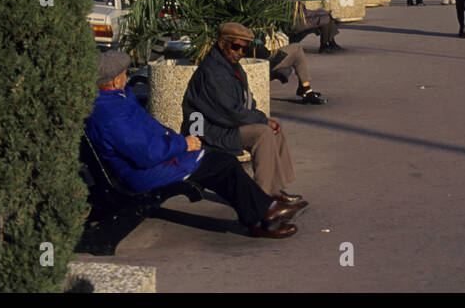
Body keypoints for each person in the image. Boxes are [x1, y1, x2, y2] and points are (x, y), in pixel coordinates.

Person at [86, 50, 303, 239]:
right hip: (146, 173)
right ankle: (263, 213)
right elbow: (146, 153)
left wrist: (179, 141)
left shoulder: (117, 99)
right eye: (124, 73)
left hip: (156, 162)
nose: (126, 76)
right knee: (222, 165)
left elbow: (148, 133)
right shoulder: (112, 113)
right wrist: (183, 144)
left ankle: (261, 213)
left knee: (221, 163)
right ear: (114, 81)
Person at [182, 22, 308, 205]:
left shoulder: (231, 65)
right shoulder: (213, 71)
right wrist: (262, 121)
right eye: (236, 47)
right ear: (222, 43)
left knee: (275, 128)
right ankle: (262, 199)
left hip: (223, 124)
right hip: (207, 131)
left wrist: (263, 119)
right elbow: (229, 112)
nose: (240, 52)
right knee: (262, 133)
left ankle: (275, 188)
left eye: (244, 49)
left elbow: (247, 101)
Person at [276, 0, 342, 53]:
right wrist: (321, 13)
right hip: (294, 25)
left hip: (297, 21)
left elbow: (302, 12)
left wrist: (320, 13)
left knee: (325, 17)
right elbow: (302, 13)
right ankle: (325, 45)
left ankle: (330, 43)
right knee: (325, 18)